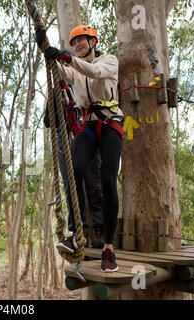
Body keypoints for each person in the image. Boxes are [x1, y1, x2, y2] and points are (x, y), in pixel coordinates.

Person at [36, 25, 124, 272]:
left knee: (107, 180)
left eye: (81, 41)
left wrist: (69, 58)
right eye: (74, 43)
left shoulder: (108, 61)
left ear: (93, 41)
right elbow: (62, 73)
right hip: (88, 125)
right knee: (73, 167)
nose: (77, 45)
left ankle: (108, 248)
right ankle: (76, 231)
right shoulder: (75, 67)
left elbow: (94, 72)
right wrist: (45, 47)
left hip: (109, 122)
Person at [43, 93, 104, 249]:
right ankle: (78, 231)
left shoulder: (85, 84)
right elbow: (48, 121)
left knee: (94, 183)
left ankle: (99, 230)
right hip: (66, 138)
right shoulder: (58, 91)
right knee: (72, 187)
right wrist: (66, 114)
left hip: (87, 136)